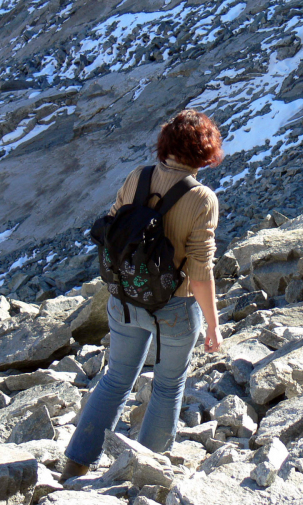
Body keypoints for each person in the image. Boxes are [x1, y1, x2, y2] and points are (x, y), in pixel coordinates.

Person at [61, 110, 223, 481]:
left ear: (165, 144)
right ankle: (143, 477)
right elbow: (199, 271)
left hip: (126, 295)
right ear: (206, 153)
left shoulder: (139, 176)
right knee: (167, 387)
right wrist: (213, 325)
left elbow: (111, 227)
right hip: (176, 306)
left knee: (116, 378)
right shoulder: (202, 198)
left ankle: (75, 465)